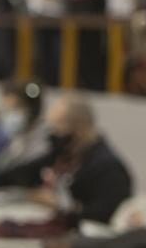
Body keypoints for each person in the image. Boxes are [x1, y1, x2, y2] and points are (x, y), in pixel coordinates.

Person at [29, 94, 133, 226]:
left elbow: (106, 215)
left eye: (58, 127)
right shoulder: (66, 155)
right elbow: (29, 170)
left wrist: (61, 206)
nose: (53, 134)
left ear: (80, 127)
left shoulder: (108, 167)